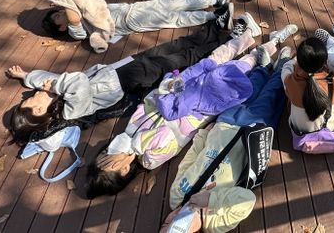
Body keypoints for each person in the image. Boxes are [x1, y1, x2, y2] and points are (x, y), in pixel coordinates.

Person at [85, 22, 298, 198]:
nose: (110, 151)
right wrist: (131, 145)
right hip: (201, 108)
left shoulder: (131, 129)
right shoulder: (149, 159)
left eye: (104, 152)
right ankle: (271, 46)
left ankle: (249, 35)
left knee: (214, 59)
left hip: (183, 91)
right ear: (123, 170)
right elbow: (165, 137)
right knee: (238, 72)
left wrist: (168, 89)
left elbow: (148, 103)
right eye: (109, 161)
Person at [6, 16, 247, 145]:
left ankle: (213, 29)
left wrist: (27, 76)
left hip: (119, 69)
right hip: (128, 79)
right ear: (40, 111)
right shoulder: (69, 110)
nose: (37, 94)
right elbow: (77, 83)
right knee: (179, 59)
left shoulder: (56, 96)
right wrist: (55, 86)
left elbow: (51, 79)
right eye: (33, 101)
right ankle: (226, 42)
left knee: (170, 47)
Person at [161, 48, 291, 233]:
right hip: (248, 135)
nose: (172, 218)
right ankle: (281, 69)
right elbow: (247, 199)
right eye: (175, 227)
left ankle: (264, 67)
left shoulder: (176, 197)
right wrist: (211, 200)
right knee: (270, 96)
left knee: (248, 90)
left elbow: (188, 162)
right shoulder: (215, 224)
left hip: (223, 126)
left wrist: (203, 135)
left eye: (165, 223)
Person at [42, 0, 233, 53]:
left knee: (174, 3)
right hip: (129, 20)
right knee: (173, 18)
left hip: (132, 8)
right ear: (61, 27)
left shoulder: (81, 6)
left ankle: (214, 1)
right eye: (57, 16)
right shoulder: (75, 30)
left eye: (59, 11)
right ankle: (215, 17)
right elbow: (74, 18)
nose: (61, 12)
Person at [281, 37, 334, 134]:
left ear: (299, 63)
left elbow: (285, 69)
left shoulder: (293, 82)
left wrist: (293, 61)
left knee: (288, 93)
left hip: (301, 133)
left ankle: (284, 58)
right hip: (330, 130)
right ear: (324, 63)